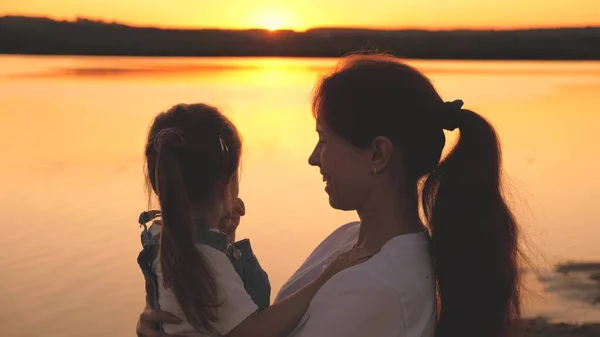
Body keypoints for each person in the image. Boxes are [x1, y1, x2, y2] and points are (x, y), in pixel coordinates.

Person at [137, 54, 522, 337]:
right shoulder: (346, 241)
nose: (312, 157)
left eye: (323, 140)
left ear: (377, 154)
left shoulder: (376, 288)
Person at [135, 103, 373, 337]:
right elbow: (256, 330)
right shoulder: (206, 259)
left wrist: (225, 239)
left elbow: (219, 311)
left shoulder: (160, 241)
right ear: (226, 186)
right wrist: (326, 277)